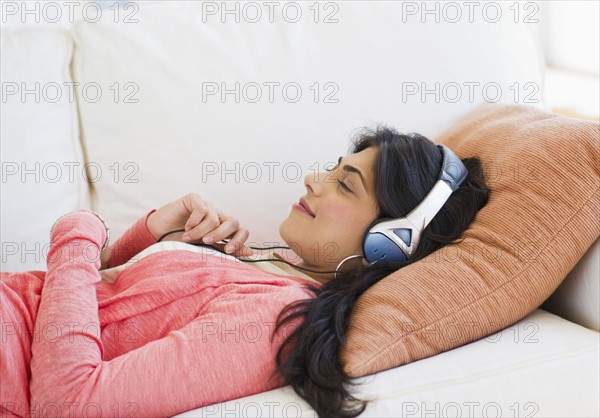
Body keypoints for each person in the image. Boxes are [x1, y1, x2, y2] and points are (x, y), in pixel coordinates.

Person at [0, 126, 489, 418]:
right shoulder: (274, 265)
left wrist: (77, 234)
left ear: (387, 243)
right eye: (332, 167)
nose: (313, 179)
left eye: (346, 184)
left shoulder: (270, 320)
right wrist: (153, 235)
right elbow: (103, 305)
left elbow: (71, 404)